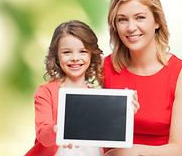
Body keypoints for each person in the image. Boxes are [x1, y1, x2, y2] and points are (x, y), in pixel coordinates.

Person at [103, 0, 182, 156]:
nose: (131, 27)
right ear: (115, 26)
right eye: (122, 19)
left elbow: (178, 149)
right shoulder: (105, 68)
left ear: (157, 21)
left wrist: (130, 152)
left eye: (140, 17)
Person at [25, 20, 139, 156]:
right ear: (56, 56)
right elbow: (43, 136)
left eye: (82, 51)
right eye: (67, 52)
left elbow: (110, 136)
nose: (75, 58)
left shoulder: (98, 98)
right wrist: (58, 129)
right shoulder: (46, 92)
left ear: (91, 55)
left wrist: (123, 113)